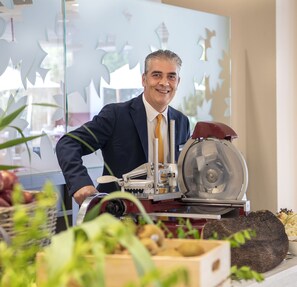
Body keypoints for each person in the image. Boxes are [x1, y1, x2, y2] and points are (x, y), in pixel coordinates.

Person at [56, 49, 190, 205]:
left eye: (171, 77)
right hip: (120, 215)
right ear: (144, 79)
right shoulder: (116, 115)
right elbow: (67, 144)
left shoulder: (182, 121)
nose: (164, 83)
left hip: (168, 215)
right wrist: (81, 183)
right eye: (156, 75)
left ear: (178, 82)